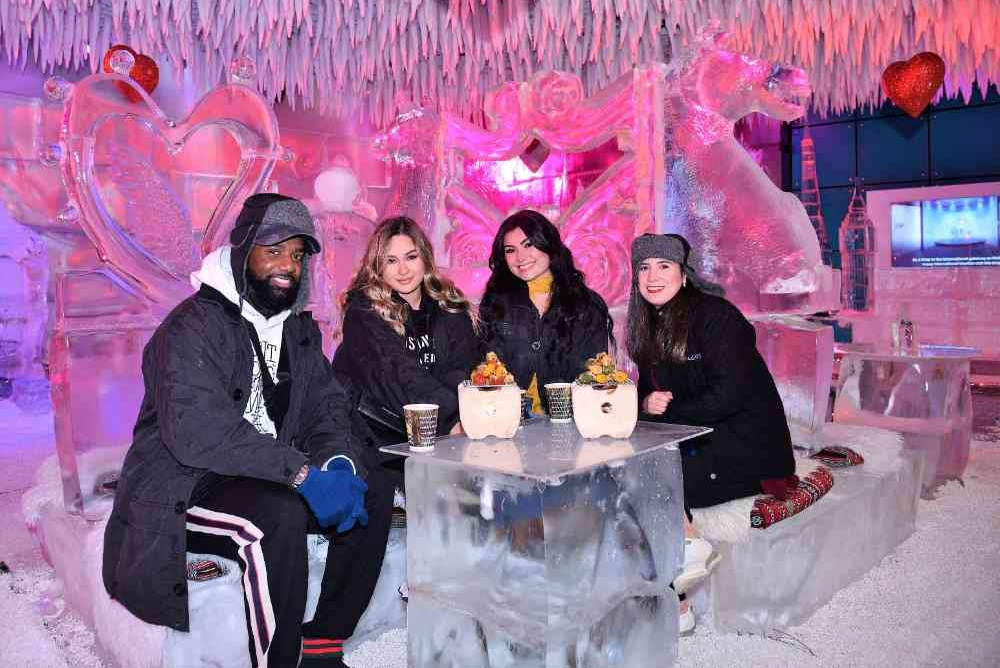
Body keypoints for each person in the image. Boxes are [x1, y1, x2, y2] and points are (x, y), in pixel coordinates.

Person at [103, 193, 390, 668]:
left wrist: (336, 462)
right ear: (242, 251)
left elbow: (327, 406)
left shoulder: (295, 328)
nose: (288, 266)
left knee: (373, 485)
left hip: (264, 468)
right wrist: (302, 474)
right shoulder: (190, 329)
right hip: (187, 483)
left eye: (298, 255)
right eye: (273, 250)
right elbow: (199, 431)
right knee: (277, 515)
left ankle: (323, 639)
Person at [627, 232, 796, 634]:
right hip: (694, 434)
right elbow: (648, 390)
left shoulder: (716, 316)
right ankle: (680, 591)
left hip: (745, 442)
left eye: (664, 266)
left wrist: (665, 416)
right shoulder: (649, 325)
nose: (653, 276)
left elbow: (729, 395)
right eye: (644, 268)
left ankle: (679, 586)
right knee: (628, 469)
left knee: (648, 478)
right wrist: (643, 402)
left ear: (684, 275)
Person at [332, 216, 478, 448]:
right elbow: (397, 372)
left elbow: (462, 368)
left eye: (411, 257)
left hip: (441, 436)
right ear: (378, 266)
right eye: (391, 260)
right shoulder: (364, 311)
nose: (403, 270)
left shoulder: (448, 306)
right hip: (377, 441)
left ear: (425, 258)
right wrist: (450, 420)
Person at [479, 209, 613, 416]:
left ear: (548, 245)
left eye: (528, 245)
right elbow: (488, 364)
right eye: (510, 250)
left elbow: (592, 371)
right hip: (507, 418)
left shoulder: (587, 304)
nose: (520, 257)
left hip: (571, 418)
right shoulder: (496, 301)